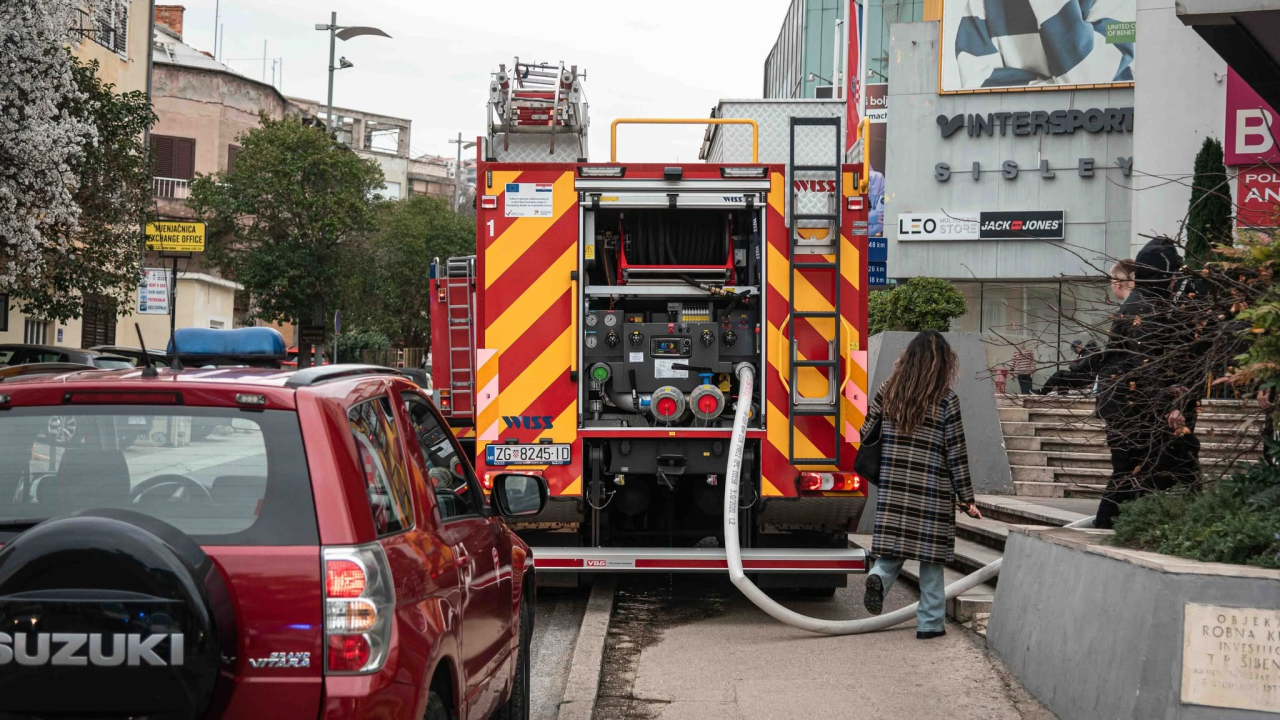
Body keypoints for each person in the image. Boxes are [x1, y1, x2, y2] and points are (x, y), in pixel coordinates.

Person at [860, 331, 980, 639]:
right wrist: (966, 498)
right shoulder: (946, 400)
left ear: (908, 358)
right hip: (932, 490)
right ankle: (930, 624)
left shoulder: (888, 391)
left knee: (893, 548)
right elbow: (956, 452)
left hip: (894, 485)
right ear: (942, 364)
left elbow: (866, 431)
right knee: (931, 561)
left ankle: (878, 576)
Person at [1089, 241, 1197, 529]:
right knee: (1130, 470)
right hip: (1129, 405)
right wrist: (1170, 406)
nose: (1176, 280)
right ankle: (1108, 528)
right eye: (1173, 274)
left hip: (1130, 404)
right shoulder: (1144, 308)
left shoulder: (1149, 303)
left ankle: (1122, 525)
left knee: (1147, 468)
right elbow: (1146, 364)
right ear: (1163, 275)